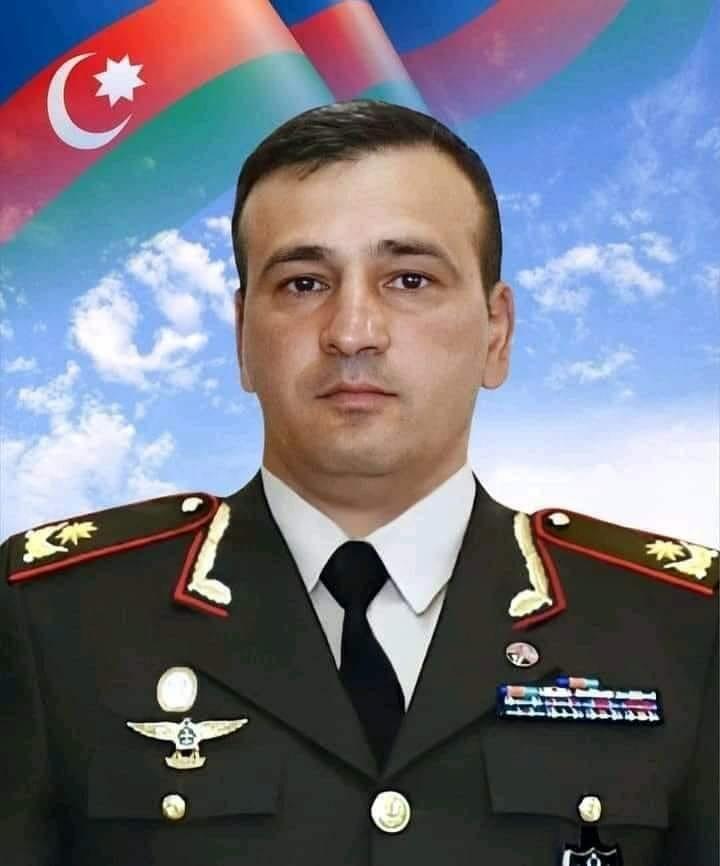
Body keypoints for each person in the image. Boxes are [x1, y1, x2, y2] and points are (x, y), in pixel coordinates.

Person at [1, 99, 717, 866]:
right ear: (242, 338)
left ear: (496, 332)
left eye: (409, 279)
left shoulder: (679, 625)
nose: (352, 333)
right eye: (304, 283)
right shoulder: (53, 618)